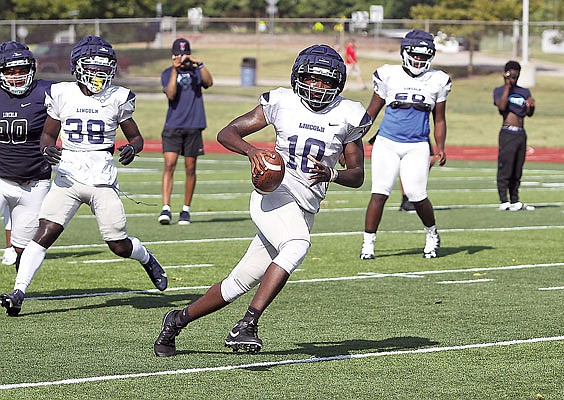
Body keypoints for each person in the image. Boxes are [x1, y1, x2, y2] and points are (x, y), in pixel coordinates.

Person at [154, 44, 370, 356]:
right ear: (299, 77)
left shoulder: (348, 115)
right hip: (274, 193)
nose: (318, 87)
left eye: (326, 81)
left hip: (304, 206)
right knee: (298, 244)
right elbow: (227, 133)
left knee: (238, 282)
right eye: (312, 78)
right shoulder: (282, 101)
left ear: (338, 84)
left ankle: (176, 321)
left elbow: (358, 174)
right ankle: (247, 325)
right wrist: (252, 151)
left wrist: (333, 175)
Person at [0, 36, 167, 317]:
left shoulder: (118, 97)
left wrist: (132, 148)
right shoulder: (63, 93)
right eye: (92, 68)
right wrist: (47, 149)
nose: (98, 75)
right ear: (78, 67)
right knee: (43, 235)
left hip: (101, 180)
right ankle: (18, 292)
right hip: (67, 178)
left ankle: (146, 257)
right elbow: (49, 134)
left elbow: (136, 137)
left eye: (104, 69)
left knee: (118, 244)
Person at [359, 30, 451, 260]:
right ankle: (367, 244)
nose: (419, 60)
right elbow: (371, 111)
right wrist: (353, 138)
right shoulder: (388, 74)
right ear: (404, 53)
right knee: (379, 192)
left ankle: (432, 234)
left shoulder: (438, 80)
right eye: (415, 55)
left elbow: (439, 118)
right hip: (387, 142)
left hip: (417, 145)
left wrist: (440, 147)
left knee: (416, 194)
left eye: (424, 56)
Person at [0, 41, 53, 271]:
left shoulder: (47, 92)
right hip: (1, 178)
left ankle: (17, 290)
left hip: (34, 181)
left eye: (21, 70)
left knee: (22, 249)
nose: (16, 76)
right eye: (10, 71)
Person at [158, 38, 213, 225]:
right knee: (169, 164)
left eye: (185, 53)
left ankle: (185, 210)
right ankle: (166, 208)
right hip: (173, 125)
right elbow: (171, 93)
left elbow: (209, 82)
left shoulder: (197, 72)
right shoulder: (167, 73)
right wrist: (175, 68)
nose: (182, 57)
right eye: (178, 54)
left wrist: (200, 63)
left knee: (190, 168)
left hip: (194, 125)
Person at [493, 60, 535, 211]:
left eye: (516, 75)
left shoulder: (524, 92)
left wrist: (531, 107)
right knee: (506, 166)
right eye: (511, 74)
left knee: (518, 168)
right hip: (507, 132)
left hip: (520, 133)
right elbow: (502, 106)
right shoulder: (499, 91)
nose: (513, 78)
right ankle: (504, 200)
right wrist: (507, 86)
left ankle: (515, 200)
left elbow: (528, 114)